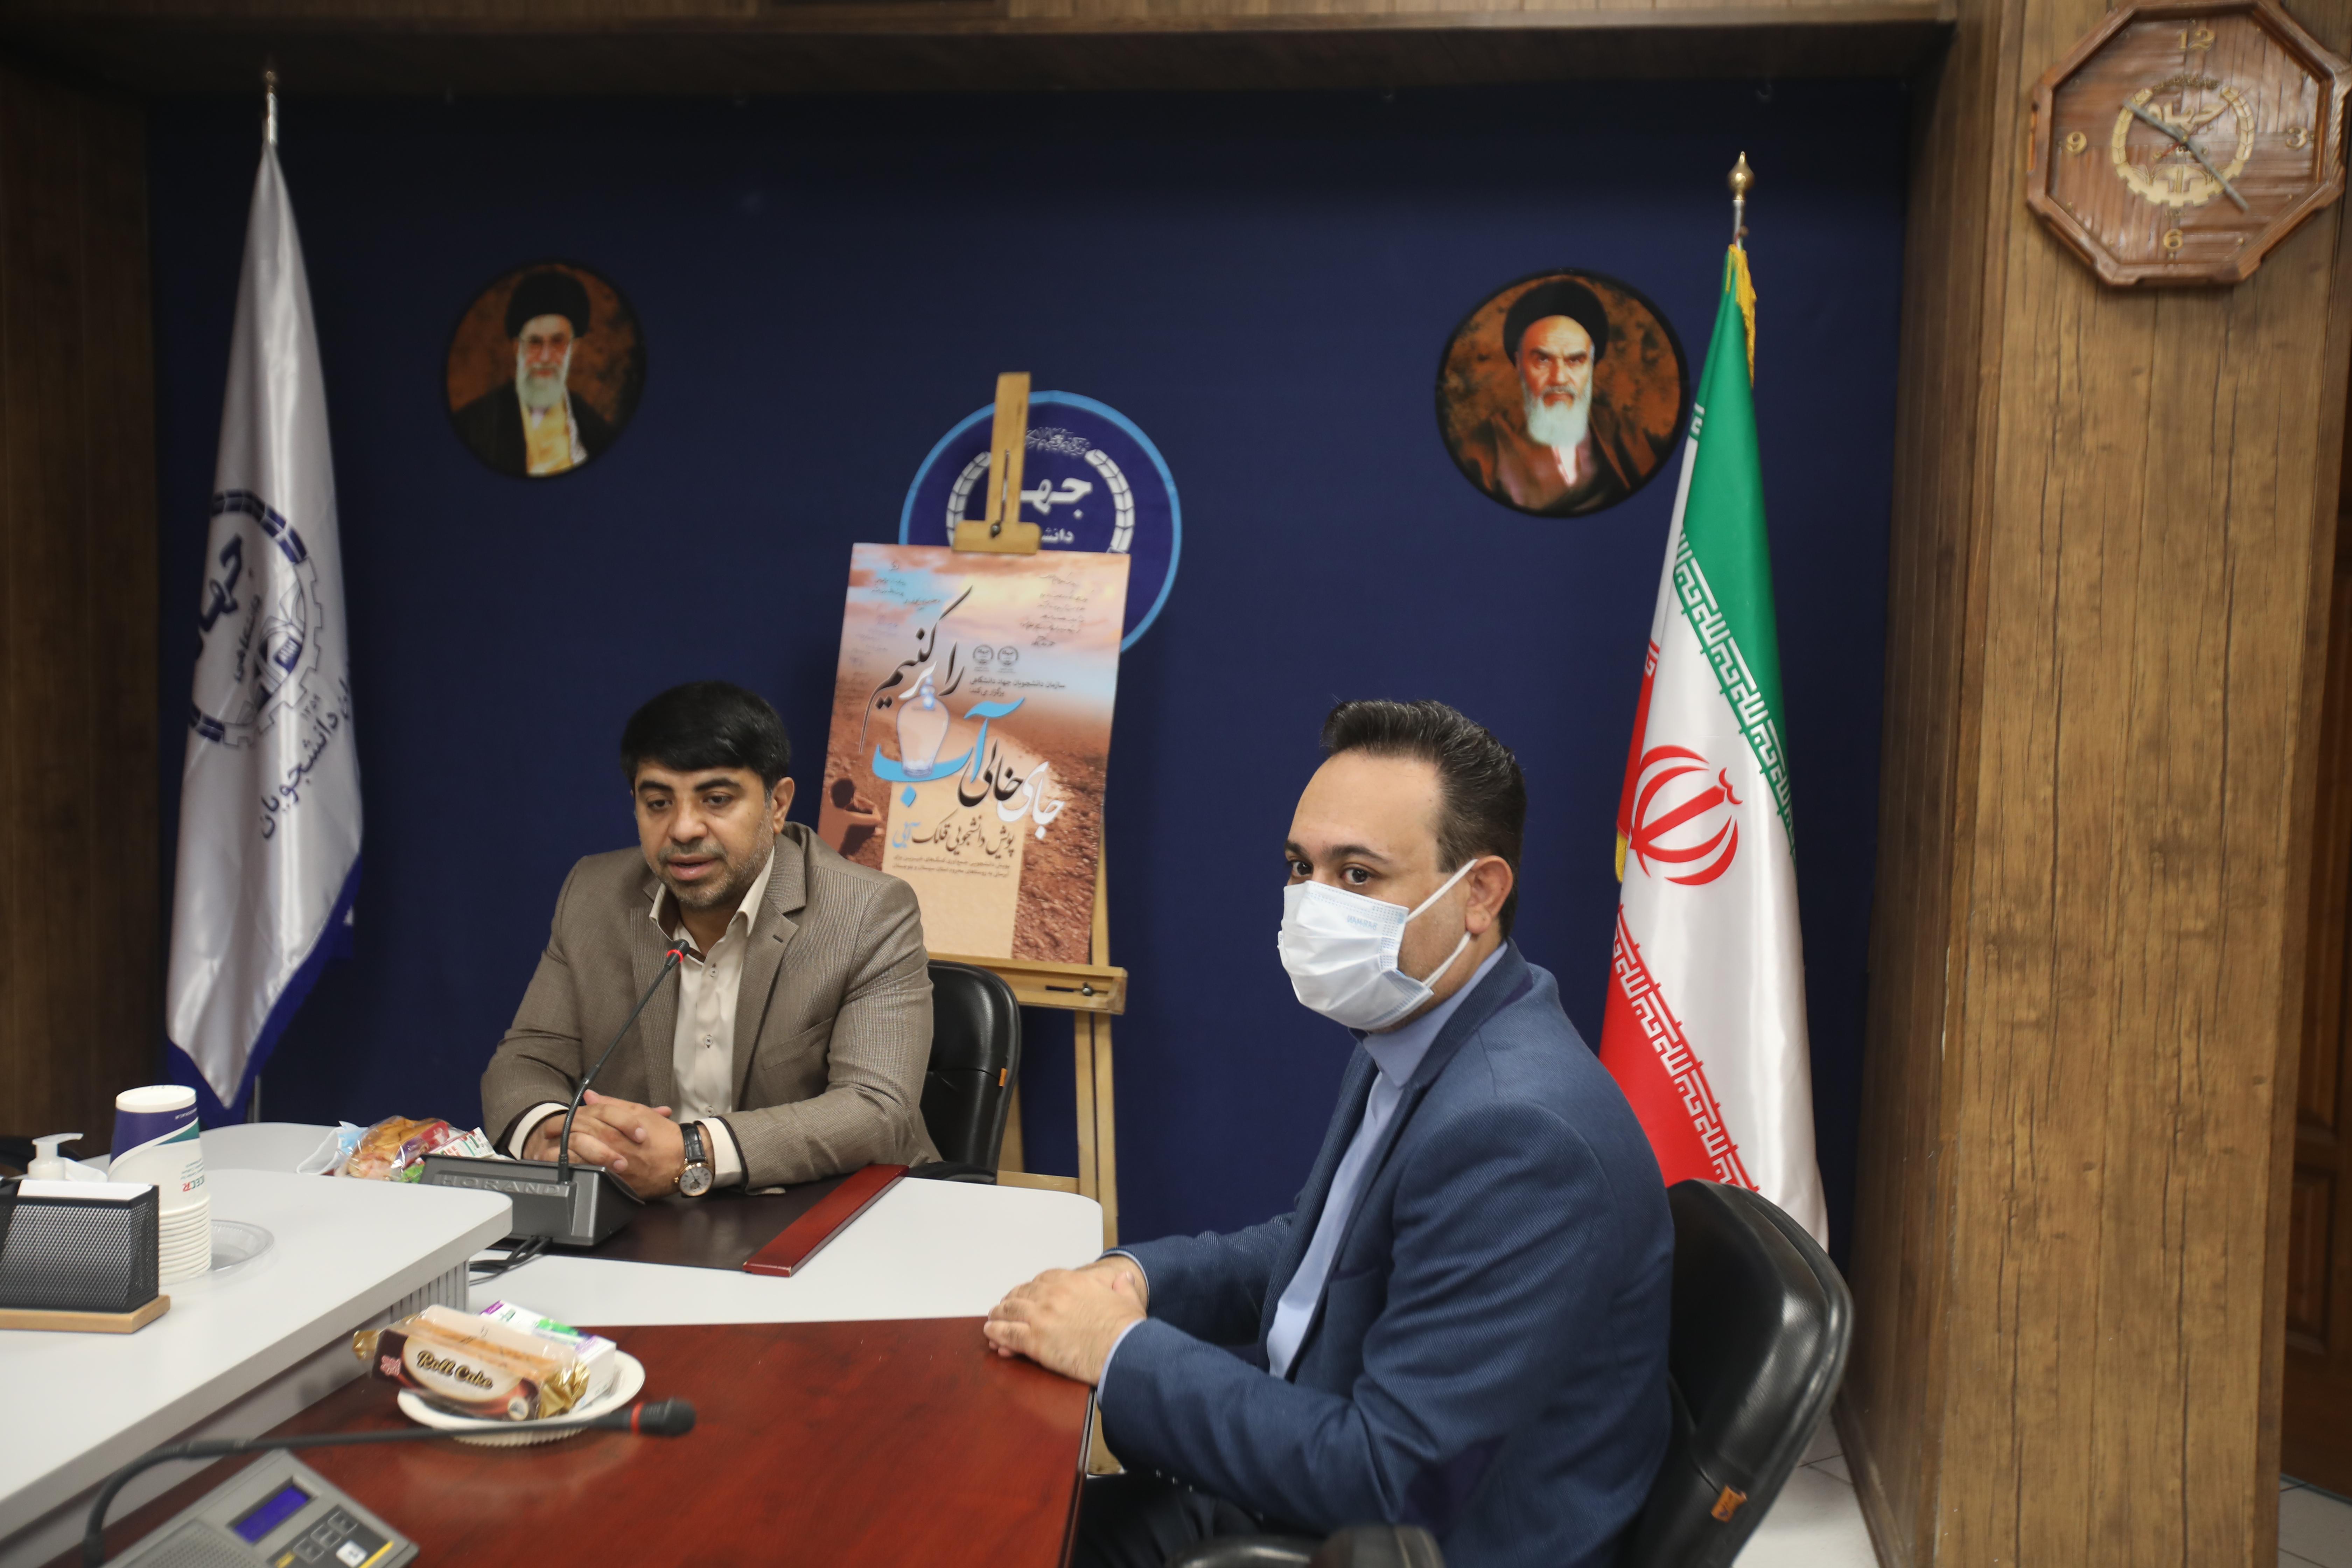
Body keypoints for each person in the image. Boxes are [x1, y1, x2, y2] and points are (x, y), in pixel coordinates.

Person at [984, 699, 1672, 1568]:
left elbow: (1387, 1479)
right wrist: (1135, 1280)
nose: (1313, 903)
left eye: (1358, 874)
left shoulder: (1520, 1134)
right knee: (998, 1511)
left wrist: (1117, 1349)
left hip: (1411, 1543)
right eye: (1299, 867)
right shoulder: (1421, 1027)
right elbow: (1323, 1251)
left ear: (1481, 894)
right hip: (1316, 1480)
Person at [481, 680, 940, 1196]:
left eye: (716, 800)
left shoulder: (867, 912)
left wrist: (691, 1151)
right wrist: (551, 1136)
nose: (683, 829)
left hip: (828, 1207)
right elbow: (527, 1060)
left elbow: (876, 1109)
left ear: (777, 804)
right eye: (658, 803)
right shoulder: (593, 895)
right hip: (646, 1212)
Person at [1460, 279, 1666, 516]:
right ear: (1519, 364)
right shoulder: (1478, 451)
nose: (1559, 378)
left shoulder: (1623, 432)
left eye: (1575, 360)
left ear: (1592, 365)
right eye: (1543, 360)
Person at [450, 268, 620, 478]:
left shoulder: (597, 432)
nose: (545, 357)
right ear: (517, 348)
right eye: (535, 342)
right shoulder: (474, 425)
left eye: (557, 342)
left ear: (573, 348)